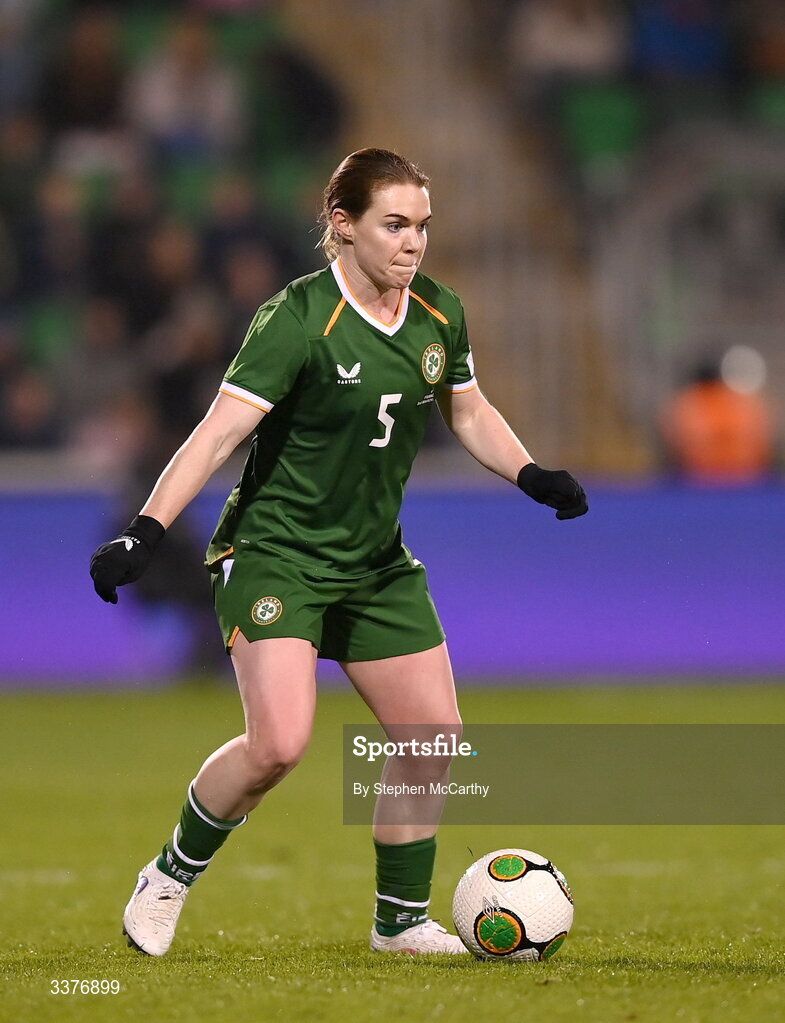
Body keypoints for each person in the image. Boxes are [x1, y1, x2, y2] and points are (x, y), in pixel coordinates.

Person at [89, 148, 588, 957]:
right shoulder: (295, 320)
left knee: (431, 739)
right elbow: (217, 432)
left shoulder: (437, 312)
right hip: (276, 555)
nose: (412, 242)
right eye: (394, 224)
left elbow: (467, 409)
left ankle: (398, 924)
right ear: (343, 224)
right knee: (279, 743)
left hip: (375, 563)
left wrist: (530, 472)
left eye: (422, 225)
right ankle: (168, 876)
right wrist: (145, 530)